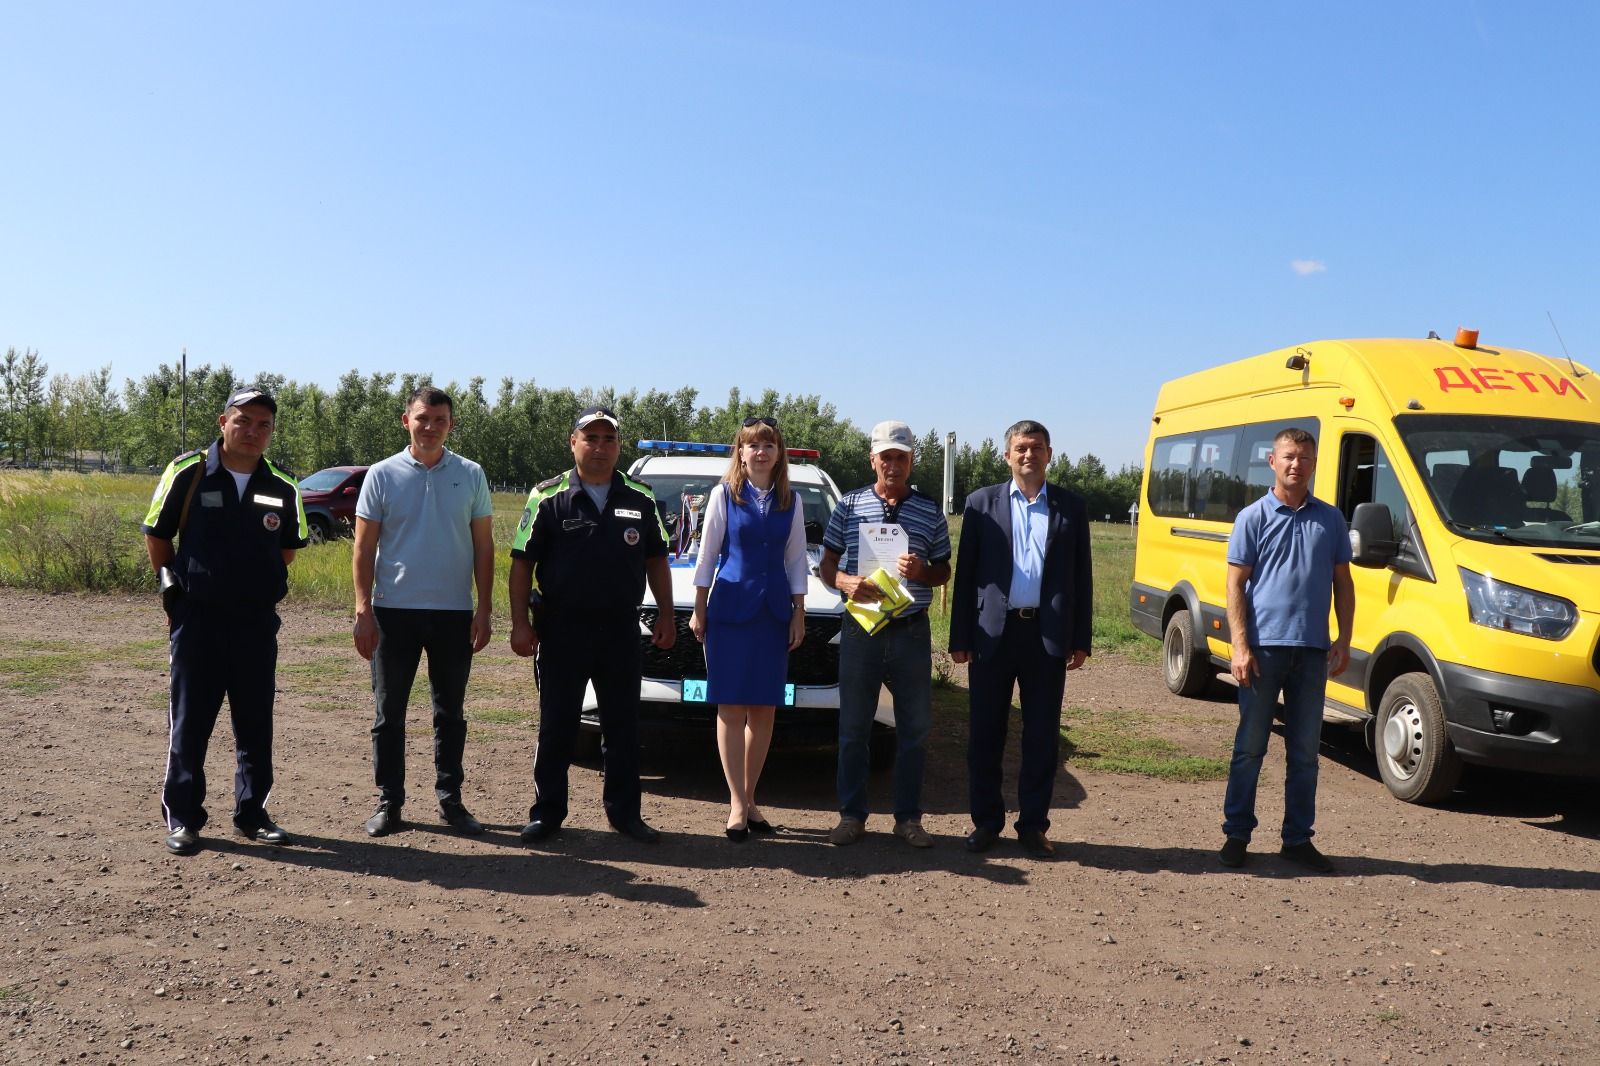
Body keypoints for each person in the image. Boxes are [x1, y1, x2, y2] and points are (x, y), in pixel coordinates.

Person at [141, 386, 309, 856]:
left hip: (256, 622)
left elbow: (289, 551)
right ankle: (184, 818)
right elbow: (158, 534)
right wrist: (176, 589)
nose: (253, 431)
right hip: (198, 620)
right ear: (223, 422)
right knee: (190, 721)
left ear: (272, 432)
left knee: (255, 722)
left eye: (263, 425)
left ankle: (252, 814)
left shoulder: (283, 486)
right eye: (244, 421)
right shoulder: (189, 471)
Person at [508, 405, 676, 844]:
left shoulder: (640, 497)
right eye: (591, 438)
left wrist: (664, 613)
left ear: (618, 445)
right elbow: (522, 564)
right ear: (573, 443)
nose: (601, 447)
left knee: (622, 725)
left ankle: (624, 815)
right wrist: (519, 624)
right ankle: (547, 814)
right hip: (561, 630)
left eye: (609, 439)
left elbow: (657, 559)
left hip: (621, 629)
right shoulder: (547, 496)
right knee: (557, 724)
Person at [352, 386, 495, 838]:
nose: (430, 427)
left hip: (454, 612)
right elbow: (363, 546)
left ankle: (451, 800)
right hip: (393, 611)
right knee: (388, 712)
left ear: (450, 424)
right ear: (406, 420)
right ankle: (389, 801)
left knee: (449, 713)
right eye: (422, 419)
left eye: (439, 420)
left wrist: (485, 608)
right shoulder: (381, 474)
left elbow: (483, 546)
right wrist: (362, 609)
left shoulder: (471, 474)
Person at [949, 420, 1092, 859]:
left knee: (1042, 737)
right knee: (985, 735)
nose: (1028, 455)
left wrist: (1080, 638)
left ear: (1050, 454)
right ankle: (986, 823)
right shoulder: (980, 504)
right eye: (1020, 448)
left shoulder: (1070, 506)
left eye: (1036, 448)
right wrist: (960, 636)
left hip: (1046, 637)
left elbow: (1081, 578)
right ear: (1007, 455)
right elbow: (966, 574)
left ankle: (1033, 826)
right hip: (993, 634)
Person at [1219, 427, 1354, 873]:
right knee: (1250, 748)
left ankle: (1297, 839)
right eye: (1289, 456)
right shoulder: (1252, 517)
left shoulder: (1331, 519)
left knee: (1304, 753)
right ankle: (1237, 834)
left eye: (1305, 458)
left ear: (1314, 465)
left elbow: (1343, 583)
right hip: (1262, 652)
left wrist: (1344, 639)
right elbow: (1236, 585)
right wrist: (1240, 646)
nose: (1297, 464)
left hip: (1311, 653)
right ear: (1273, 462)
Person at [819, 420, 952, 848]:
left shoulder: (929, 510)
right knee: (854, 728)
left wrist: (923, 572)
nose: (893, 465)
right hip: (861, 628)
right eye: (886, 457)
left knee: (914, 729)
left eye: (901, 457)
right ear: (872, 459)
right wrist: (845, 584)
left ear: (911, 462)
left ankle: (908, 819)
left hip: (911, 631)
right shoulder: (850, 505)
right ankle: (851, 816)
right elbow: (826, 566)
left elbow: (944, 570)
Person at [689, 417, 809, 841]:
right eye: (752, 445)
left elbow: (796, 560)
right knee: (730, 706)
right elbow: (707, 556)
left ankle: (751, 798)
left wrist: (799, 610)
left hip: (773, 614)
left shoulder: (790, 501)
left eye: (769, 445)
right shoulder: (724, 495)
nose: (760, 452)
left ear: (779, 454)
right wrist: (698, 608)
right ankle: (737, 804)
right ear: (740, 452)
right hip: (730, 612)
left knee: (763, 708)